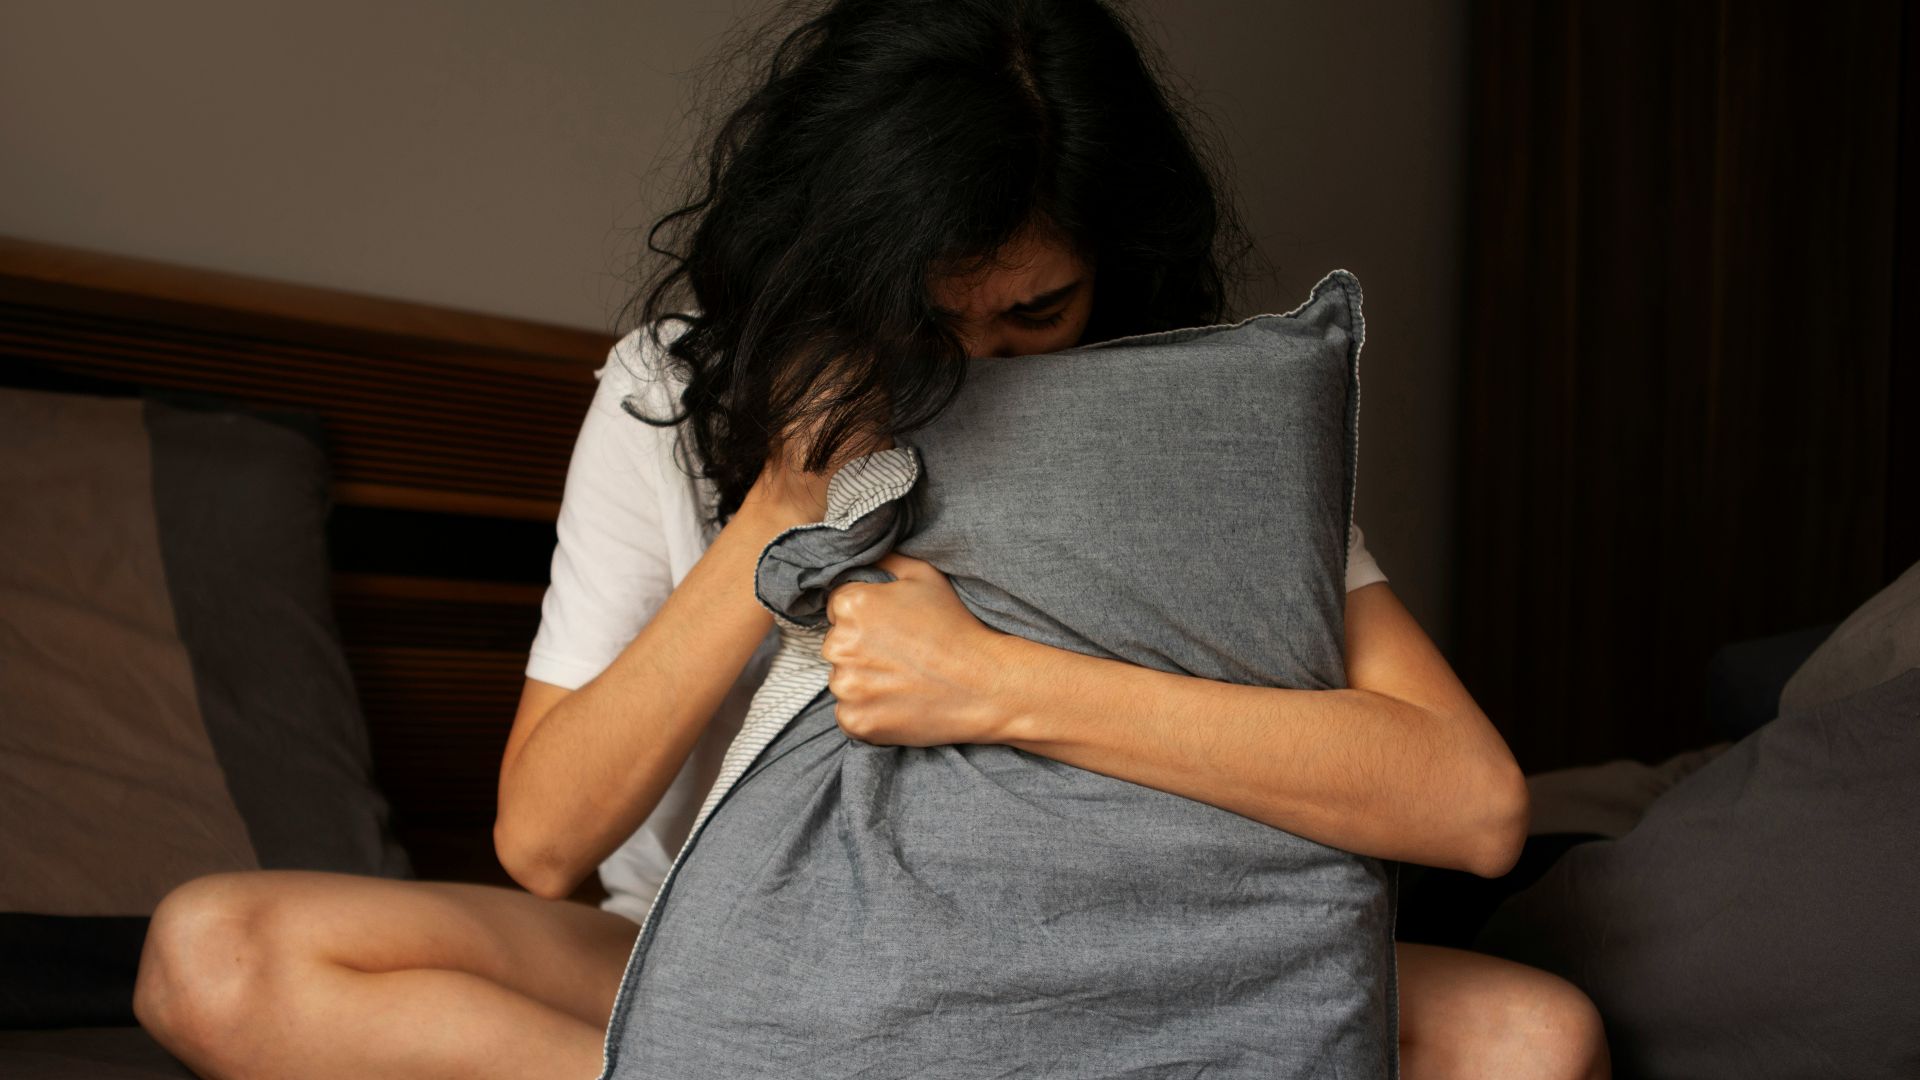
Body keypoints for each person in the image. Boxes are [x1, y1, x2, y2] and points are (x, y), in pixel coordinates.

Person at [132, 1, 1610, 1078]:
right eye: (924, 311)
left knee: (1534, 1038)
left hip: (1110, 962)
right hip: (722, 957)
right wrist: (780, 506)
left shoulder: (1200, 429)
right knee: (213, 954)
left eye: (1037, 310)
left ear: (1116, 263)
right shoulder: (677, 383)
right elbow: (542, 842)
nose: (979, 361)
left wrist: (1003, 688)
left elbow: (1470, 806)